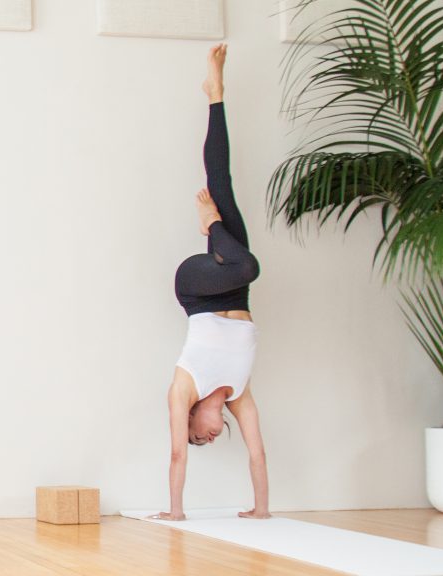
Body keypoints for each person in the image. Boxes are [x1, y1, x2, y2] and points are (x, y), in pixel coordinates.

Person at [152, 43, 270, 522]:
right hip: (233, 281)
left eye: (201, 433)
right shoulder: (240, 394)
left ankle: (209, 227)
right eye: (207, 437)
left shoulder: (185, 386)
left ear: (194, 415)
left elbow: (177, 454)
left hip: (197, 288)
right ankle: (215, 94)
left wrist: (175, 512)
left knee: (246, 264)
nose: (209, 435)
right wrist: (261, 511)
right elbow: (258, 452)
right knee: (220, 181)